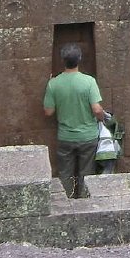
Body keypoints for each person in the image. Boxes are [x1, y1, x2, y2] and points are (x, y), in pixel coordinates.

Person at [43, 43, 106, 199]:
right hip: (88, 136)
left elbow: (48, 112)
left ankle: (67, 200)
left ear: (63, 60)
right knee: (86, 172)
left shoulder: (54, 84)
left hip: (65, 137)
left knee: (65, 173)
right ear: (79, 59)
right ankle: (85, 200)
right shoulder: (89, 82)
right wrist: (102, 118)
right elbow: (97, 109)